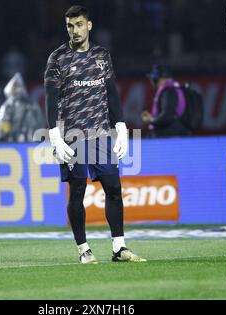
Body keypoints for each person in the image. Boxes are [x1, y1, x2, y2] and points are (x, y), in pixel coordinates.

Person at [44, 5, 146, 264]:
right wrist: (55, 136)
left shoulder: (102, 55)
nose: (74, 30)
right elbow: (51, 99)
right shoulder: (57, 59)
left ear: (89, 25)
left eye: (79, 24)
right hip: (73, 135)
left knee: (114, 187)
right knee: (77, 191)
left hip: (101, 133)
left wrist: (121, 127)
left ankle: (119, 248)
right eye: (69, 25)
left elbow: (111, 93)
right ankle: (83, 250)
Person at [141, 65, 190, 137]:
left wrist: (150, 119)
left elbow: (167, 117)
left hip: (169, 138)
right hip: (175, 135)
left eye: (152, 77)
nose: (151, 80)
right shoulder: (174, 88)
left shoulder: (168, 91)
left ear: (157, 77)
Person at [0, 73, 45, 143]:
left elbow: (40, 123)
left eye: (18, 87)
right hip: (12, 144)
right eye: (15, 87)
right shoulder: (8, 107)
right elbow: (4, 126)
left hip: (30, 143)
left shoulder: (31, 105)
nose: (17, 90)